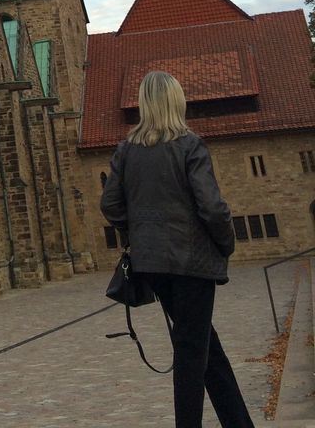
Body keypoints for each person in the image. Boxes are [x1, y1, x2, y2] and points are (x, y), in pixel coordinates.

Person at [101, 69, 255, 428]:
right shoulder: (189, 145)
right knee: (190, 352)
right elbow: (212, 208)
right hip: (193, 263)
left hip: (152, 265)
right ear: (176, 101)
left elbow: (110, 205)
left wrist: (138, 232)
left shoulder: (126, 151)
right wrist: (225, 243)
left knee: (203, 346)